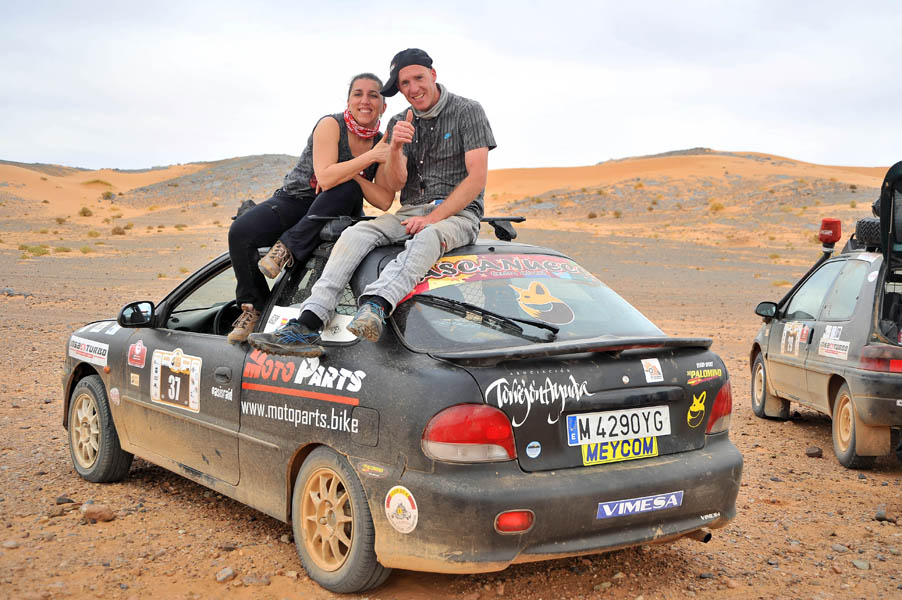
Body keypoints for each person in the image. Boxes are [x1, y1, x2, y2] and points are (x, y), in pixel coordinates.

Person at [248, 48, 495, 356]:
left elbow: (477, 178)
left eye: (418, 78)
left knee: (428, 235)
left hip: (458, 214)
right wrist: (395, 149)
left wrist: (432, 218)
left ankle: (376, 304)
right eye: (405, 83)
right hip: (410, 212)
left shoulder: (468, 111)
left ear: (433, 75)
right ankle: (308, 323)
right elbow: (395, 184)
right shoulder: (398, 122)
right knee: (357, 233)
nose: (413, 88)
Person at [226, 73, 393, 343]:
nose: (365, 100)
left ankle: (288, 247)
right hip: (297, 200)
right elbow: (325, 177)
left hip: (337, 206)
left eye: (373, 95)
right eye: (358, 94)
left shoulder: (381, 144)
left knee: (347, 188)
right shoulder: (331, 125)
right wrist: (365, 162)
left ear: (383, 106)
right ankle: (255, 308)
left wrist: (350, 173)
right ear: (348, 101)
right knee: (240, 232)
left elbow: (384, 200)